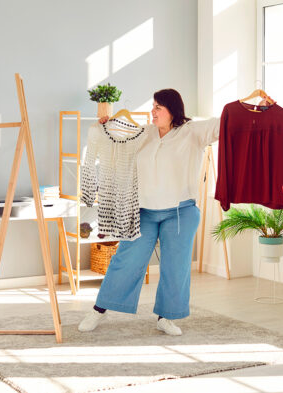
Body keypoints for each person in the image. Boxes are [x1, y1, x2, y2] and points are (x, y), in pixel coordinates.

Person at [78, 89, 220, 336]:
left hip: (180, 211)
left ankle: (166, 317)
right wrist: (103, 124)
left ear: (172, 110)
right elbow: (112, 134)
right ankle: (99, 310)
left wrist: (253, 106)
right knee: (126, 260)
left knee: (176, 266)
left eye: (158, 108)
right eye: (153, 107)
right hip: (144, 211)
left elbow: (226, 123)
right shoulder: (144, 133)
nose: (152, 112)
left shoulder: (193, 132)